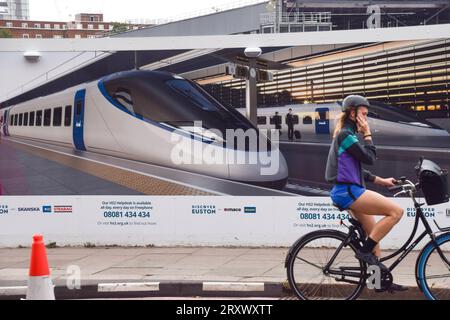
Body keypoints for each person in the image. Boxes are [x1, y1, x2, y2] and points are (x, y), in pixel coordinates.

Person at [325, 95, 407, 292]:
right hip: (348, 191)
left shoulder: (348, 136)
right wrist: (368, 134)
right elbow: (369, 157)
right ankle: (363, 253)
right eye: (363, 114)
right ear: (352, 113)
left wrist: (381, 181)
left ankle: (377, 282)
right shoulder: (346, 135)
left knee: (373, 238)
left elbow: (357, 169)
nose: (365, 119)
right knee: (396, 212)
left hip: (350, 190)